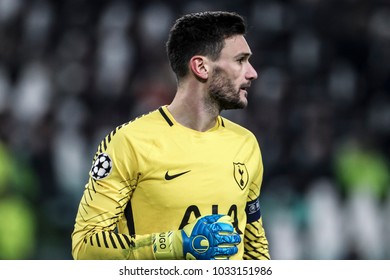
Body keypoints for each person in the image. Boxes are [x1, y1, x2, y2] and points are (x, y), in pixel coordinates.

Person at [71, 10, 270, 260]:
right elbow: (85, 246)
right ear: (201, 67)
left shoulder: (246, 144)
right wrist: (178, 243)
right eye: (240, 60)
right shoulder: (130, 143)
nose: (252, 73)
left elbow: (255, 250)